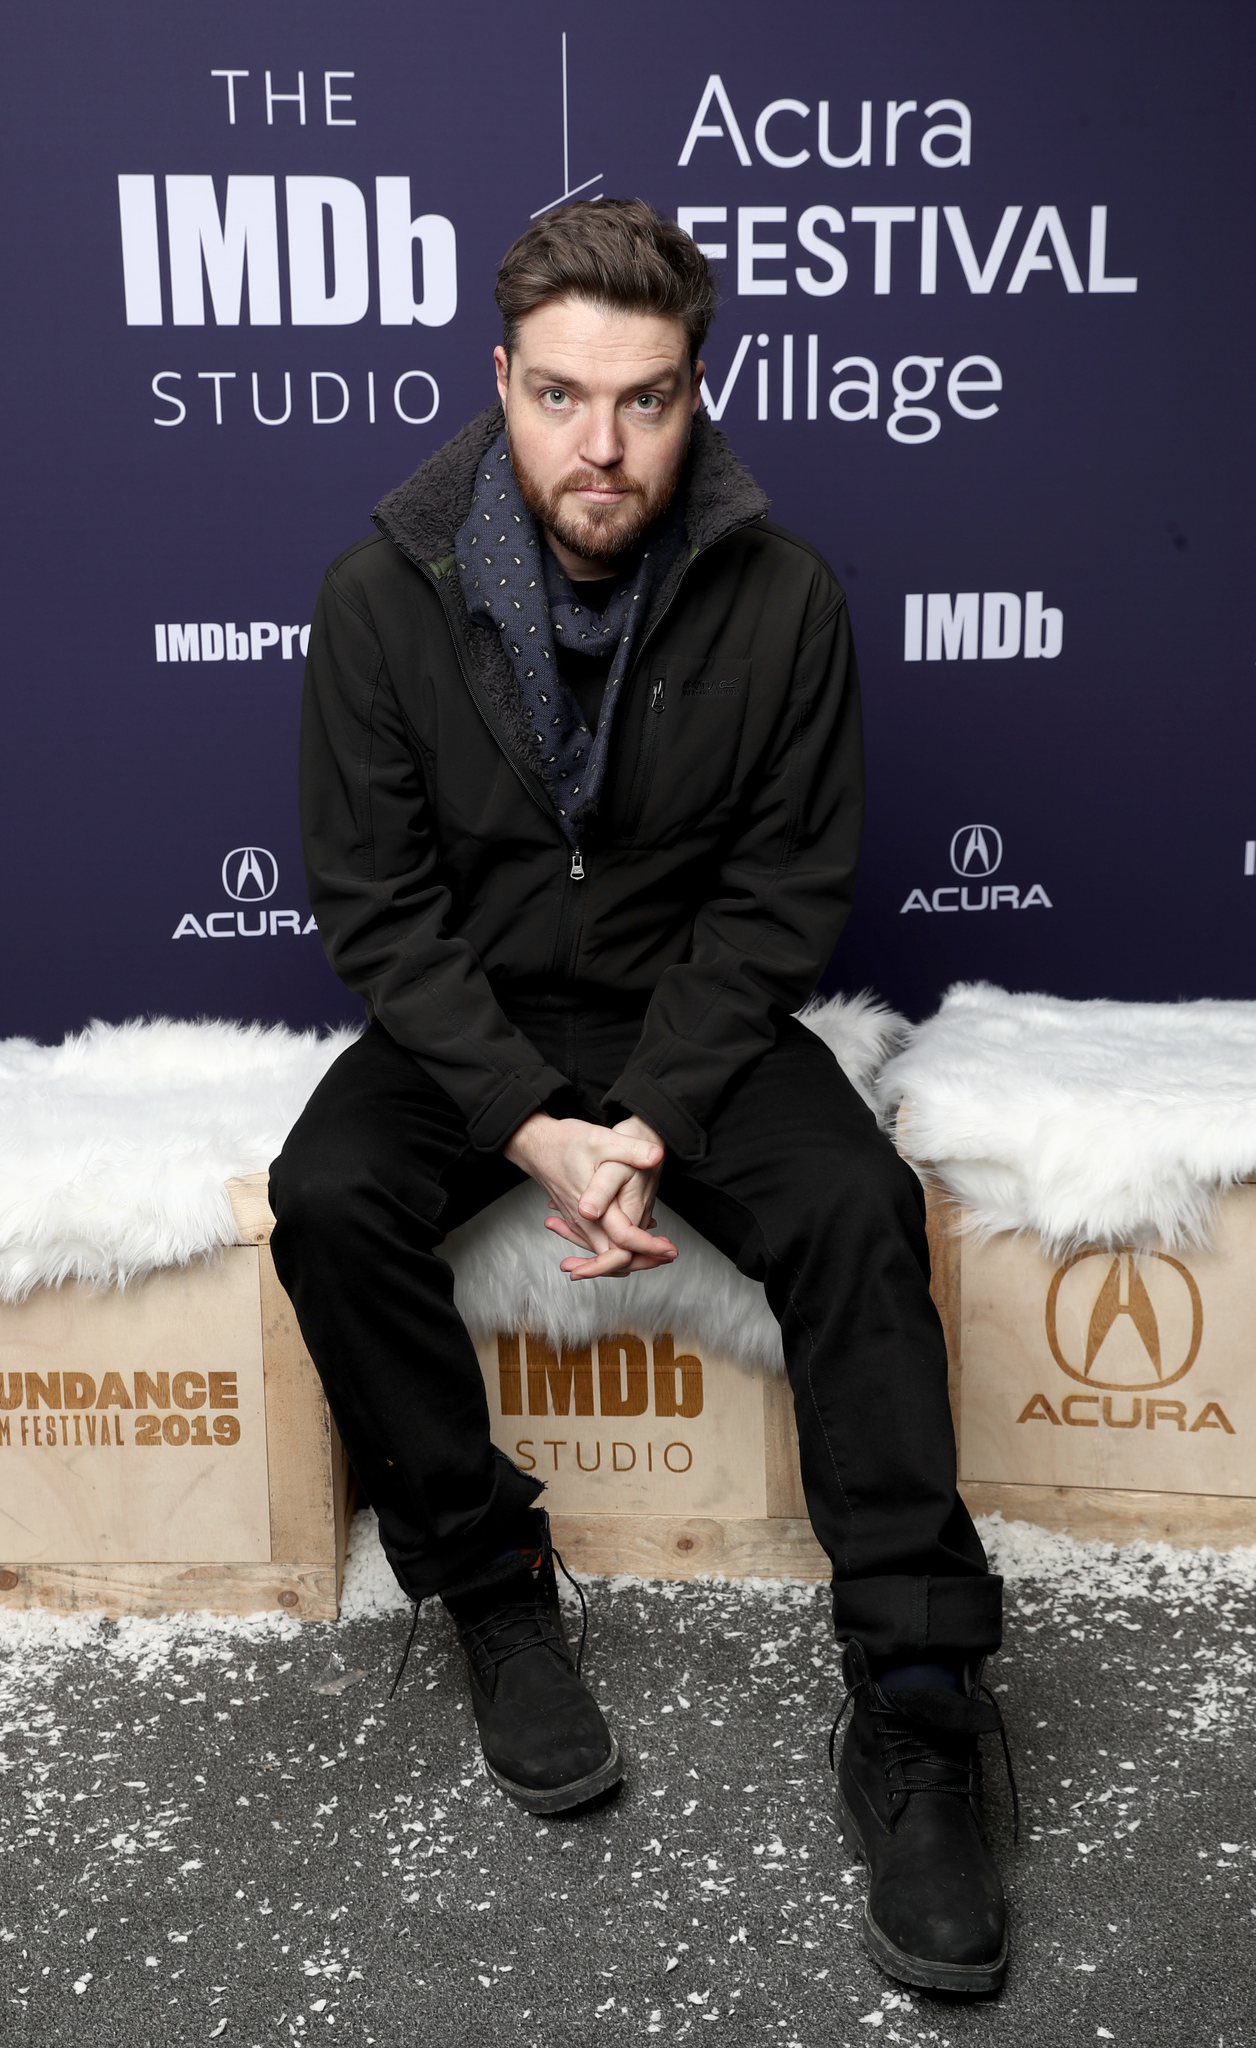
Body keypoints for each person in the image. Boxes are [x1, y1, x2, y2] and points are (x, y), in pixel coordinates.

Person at [270, 198, 1011, 1997]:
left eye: (646, 399)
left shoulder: (786, 595)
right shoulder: (387, 589)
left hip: (699, 1016)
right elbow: (377, 906)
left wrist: (652, 1115)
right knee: (329, 1197)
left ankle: (918, 1705)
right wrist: (531, 1120)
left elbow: (779, 896)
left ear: (700, 392)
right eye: (559, 395)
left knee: (848, 1205)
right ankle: (497, 1595)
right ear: (499, 383)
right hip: (480, 1020)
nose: (598, 446)